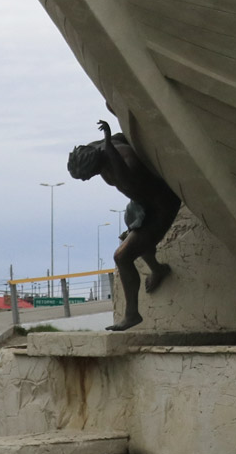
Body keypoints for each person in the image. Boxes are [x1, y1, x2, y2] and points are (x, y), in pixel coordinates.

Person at [67, 120, 181, 331]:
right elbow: (124, 137)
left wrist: (111, 149)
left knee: (123, 255)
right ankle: (158, 269)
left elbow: (131, 179)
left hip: (161, 206)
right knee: (132, 240)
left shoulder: (124, 172)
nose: (86, 181)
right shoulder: (98, 147)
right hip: (142, 202)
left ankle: (132, 315)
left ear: (95, 166)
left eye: (87, 176)